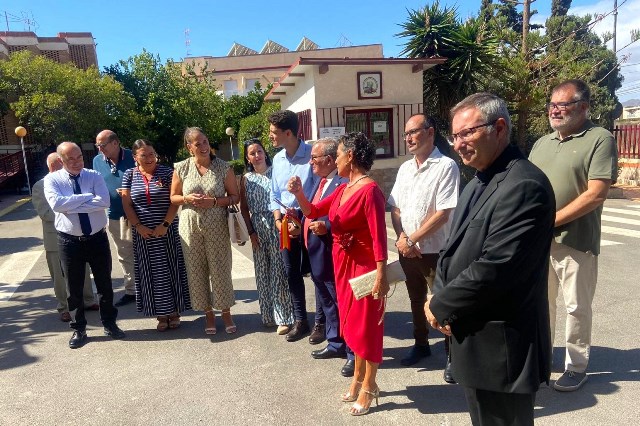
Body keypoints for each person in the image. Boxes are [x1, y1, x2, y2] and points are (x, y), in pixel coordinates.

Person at [425, 93, 554, 426]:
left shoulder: (524, 184)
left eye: (467, 133)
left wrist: (440, 305)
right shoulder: (478, 181)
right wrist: (440, 295)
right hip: (473, 338)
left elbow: (496, 267)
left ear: (499, 127)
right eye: (454, 136)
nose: (457, 144)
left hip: (502, 351)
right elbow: (451, 250)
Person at [288, 132, 388, 416]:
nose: (338, 159)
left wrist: (381, 275)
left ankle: (370, 385)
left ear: (351, 156)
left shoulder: (370, 191)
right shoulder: (344, 189)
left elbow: (380, 237)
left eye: (341, 154)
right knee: (351, 325)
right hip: (342, 266)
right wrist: (298, 193)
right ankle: (357, 379)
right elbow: (312, 210)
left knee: (367, 329)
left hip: (364, 268)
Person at [529, 79, 617, 392]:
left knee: (576, 306)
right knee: (541, 303)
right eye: (552, 104)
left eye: (562, 105)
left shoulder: (599, 138)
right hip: (539, 241)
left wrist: (550, 220)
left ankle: (576, 366)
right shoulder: (542, 143)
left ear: (582, 107)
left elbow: (596, 193)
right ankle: (542, 359)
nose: (554, 110)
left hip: (576, 241)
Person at [388, 113, 459, 371]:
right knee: (416, 300)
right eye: (406, 133)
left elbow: (443, 213)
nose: (408, 138)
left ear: (430, 133)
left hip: (435, 251)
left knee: (442, 302)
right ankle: (421, 344)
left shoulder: (446, 167)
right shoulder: (406, 168)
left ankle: (454, 355)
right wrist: (402, 238)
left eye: (413, 132)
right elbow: (395, 207)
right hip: (408, 250)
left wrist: (414, 238)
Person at [44, 142, 126, 349]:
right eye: (70, 159)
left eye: (79, 157)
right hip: (69, 242)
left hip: (97, 238)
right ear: (61, 160)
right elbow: (57, 205)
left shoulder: (94, 176)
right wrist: (88, 197)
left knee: (105, 285)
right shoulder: (52, 180)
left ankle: (110, 323)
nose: (76, 162)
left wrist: (71, 203)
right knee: (74, 288)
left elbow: (104, 202)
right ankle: (79, 328)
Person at [170, 127, 238, 335]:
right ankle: (208, 314)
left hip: (217, 225)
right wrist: (187, 199)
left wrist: (215, 201)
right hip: (190, 226)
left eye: (205, 141)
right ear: (189, 147)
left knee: (220, 269)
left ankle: (225, 312)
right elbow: (173, 197)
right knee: (196, 270)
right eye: (197, 143)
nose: (203, 147)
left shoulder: (223, 167)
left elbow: (235, 197)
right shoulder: (181, 168)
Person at [121, 139, 191, 331]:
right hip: (143, 234)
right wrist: (138, 226)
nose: (149, 158)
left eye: (152, 154)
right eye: (144, 155)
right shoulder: (129, 175)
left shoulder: (167, 172)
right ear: (135, 157)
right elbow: (127, 203)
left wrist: (165, 224)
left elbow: (174, 201)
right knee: (152, 274)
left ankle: (175, 312)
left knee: (171, 270)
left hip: (167, 230)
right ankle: (161, 314)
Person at [302, 138, 355, 377]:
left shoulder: (344, 183)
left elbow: (347, 218)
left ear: (330, 160)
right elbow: (313, 208)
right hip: (315, 253)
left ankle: (353, 352)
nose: (310, 161)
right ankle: (336, 343)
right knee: (327, 301)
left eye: (315, 157)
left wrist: (326, 226)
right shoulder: (320, 180)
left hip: (332, 252)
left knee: (342, 303)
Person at [268, 110, 318, 342]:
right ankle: (301, 320)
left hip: (310, 217)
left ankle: (322, 322)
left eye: (273, 132)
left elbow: (320, 191)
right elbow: (274, 193)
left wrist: (305, 221)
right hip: (285, 221)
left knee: (317, 272)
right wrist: (279, 221)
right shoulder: (277, 160)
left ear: (288, 133)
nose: (270, 136)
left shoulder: (312, 155)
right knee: (291, 273)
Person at [32, 152, 97, 322]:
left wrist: (69, 206)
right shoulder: (40, 185)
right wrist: (71, 208)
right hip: (55, 238)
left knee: (83, 269)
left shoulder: (72, 180)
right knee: (60, 277)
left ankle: (88, 300)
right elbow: (45, 213)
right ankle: (64, 306)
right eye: (62, 164)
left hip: (78, 233)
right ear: (54, 165)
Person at [239, 139, 294, 334]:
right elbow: (244, 209)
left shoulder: (276, 172)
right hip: (258, 228)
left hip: (276, 224)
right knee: (262, 272)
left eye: (259, 151)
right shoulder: (246, 179)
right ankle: (268, 315)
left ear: (265, 153)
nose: (257, 155)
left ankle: (284, 317)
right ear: (247, 157)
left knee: (279, 272)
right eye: (252, 153)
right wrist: (251, 232)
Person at [94, 130, 136, 307]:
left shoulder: (133, 157)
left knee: (145, 252)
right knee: (124, 254)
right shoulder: (97, 161)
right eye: (98, 145)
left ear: (115, 143)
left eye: (103, 145)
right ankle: (132, 291)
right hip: (115, 215)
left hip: (139, 213)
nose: (100, 149)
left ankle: (153, 288)